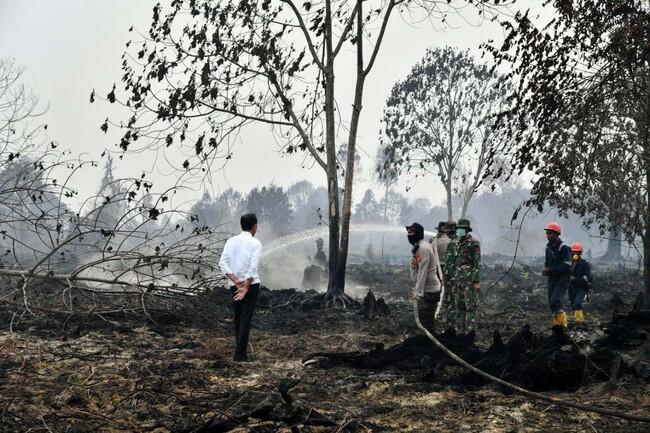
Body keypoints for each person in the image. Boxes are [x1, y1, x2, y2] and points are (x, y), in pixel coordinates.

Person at [219, 213, 263, 361]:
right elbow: (253, 267)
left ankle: (240, 350)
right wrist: (245, 286)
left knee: (238, 317)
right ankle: (240, 355)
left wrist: (236, 281)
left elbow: (222, 263)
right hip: (251, 286)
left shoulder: (231, 241)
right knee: (245, 318)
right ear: (254, 226)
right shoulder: (255, 243)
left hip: (234, 285)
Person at [444, 218, 481, 334]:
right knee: (459, 306)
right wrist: (453, 280)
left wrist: (476, 281)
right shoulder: (456, 243)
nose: (460, 230)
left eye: (463, 229)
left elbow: (477, 263)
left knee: (471, 307)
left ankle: (470, 333)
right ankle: (460, 332)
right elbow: (453, 263)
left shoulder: (474, 243)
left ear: (467, 230)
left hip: (469, 281)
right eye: (459, 228)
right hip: (458, 280)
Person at [406, 222, 443, 334]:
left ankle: (429, 345)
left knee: (426, 323)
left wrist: (418, 293)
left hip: (429, 292)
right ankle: (426, 343)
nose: (408, 235)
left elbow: (423, 272)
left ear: (418, 234)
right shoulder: (419, 246)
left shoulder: (423, 248)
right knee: (423, 322)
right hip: (425, 291)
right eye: (408, 233)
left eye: (411, 233)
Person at [543, 222, 572, 328]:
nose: (547, 235)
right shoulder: (548, 248)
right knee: (552, 303)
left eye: (550, 233)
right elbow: (547, 262)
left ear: (556, 234)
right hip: (552, 279)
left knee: (556, 301)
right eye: (547, 233)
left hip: (563, 279)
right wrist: (546, 269)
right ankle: (556, 327)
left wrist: (551, 270)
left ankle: (563, 326)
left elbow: (567, 265)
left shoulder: (564, 247)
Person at [569, 242, 592, 326]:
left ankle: (580, 321)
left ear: (580, 253)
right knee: (573, 304)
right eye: (573, 252)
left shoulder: (584, 264)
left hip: (581, 287)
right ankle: (577, 320)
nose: (575, 254)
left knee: (577, 303)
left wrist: (577, 279)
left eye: (577, 252)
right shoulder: (569, 263)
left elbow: (589, 277)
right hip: (571, 287)